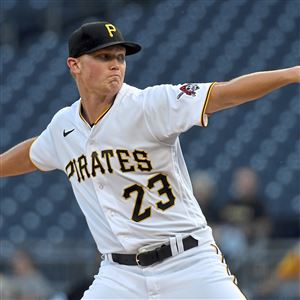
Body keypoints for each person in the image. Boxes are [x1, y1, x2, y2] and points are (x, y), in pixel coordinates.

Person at [1, 21, 299, 299]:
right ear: (74, 65)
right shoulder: (64, 126)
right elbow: (33, 152)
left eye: (120, 56)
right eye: (104, 57)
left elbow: (226, 93)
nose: (116, 64)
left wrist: (292, 73)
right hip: (119, 275)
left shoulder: (149, 105)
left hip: (189, 262)